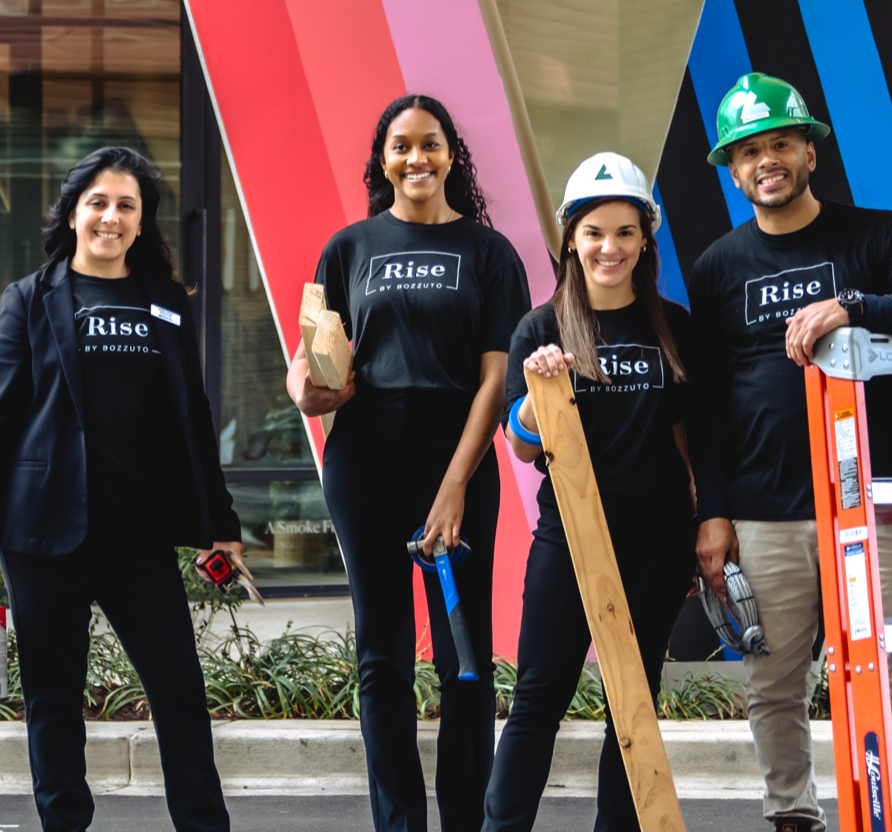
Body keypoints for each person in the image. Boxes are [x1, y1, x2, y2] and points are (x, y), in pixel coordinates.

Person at [682, 73, 892, 832]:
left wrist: (852, 305)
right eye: (747, 152)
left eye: (780, 143)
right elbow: (705, 406)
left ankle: (882, 817)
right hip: (763, 513)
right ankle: (793, 814)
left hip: (865, 501)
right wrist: (712, 515)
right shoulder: (718, 267)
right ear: (732, 169)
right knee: (773, 681)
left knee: (881, 678)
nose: (765, 161)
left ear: (809, 152)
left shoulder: (874, 237)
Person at [0, 146, 239, 832]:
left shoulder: (166, 302)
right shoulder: (30, 299)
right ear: (74, 214)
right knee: (53, 697)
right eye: (99, 203)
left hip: (137, 533)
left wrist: (217, 521)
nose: (111, 217)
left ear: (142, 223)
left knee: (178, 690)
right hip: (42, 530)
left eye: (126, 206)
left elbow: (192, 417)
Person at [287, 94, 531, 832]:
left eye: (429, 144)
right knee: (381, 653)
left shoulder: (489, 253)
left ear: (451, 154)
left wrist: (454, 485)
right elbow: (310, 360)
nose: (415, 158)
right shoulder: (348, 247)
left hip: (454, 451)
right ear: (382, 159)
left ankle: (464, 819)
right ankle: (397, 822)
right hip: (363, 456)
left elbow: (497, 379)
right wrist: (305, 389)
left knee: (464, 653)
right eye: (400, 146)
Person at [482, 153, 696, 832]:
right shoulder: (538, 331)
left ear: (644, 239)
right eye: (595, 232)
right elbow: (518, 442)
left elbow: (692, 441)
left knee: (632, 700)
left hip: (656, 540)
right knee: (539, 696)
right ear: (570, 239)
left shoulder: (673, 327)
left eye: (625, 232)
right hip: (568, 539)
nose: (610, 247)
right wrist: (540, 392)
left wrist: (704, 525)